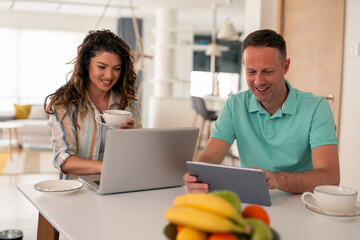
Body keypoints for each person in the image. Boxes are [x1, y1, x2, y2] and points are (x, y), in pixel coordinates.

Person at [184, 29, 340, 194]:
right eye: (251, 72)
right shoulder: (234, 106)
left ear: (285, 66)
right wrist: (198, 176)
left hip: (301, 201)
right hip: (253, 198)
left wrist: (279, 180)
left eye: (268, 71)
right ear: (244, 66)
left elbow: (330, 177)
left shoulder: (316, 108)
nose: (258, 81)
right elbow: (209, 158)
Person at [45, 29, 141, 179]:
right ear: (86, 64)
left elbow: (136, 157)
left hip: (117, 184)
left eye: (116, 69)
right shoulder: (64, 104)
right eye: (101, 67)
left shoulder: (128, 105)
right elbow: (63, 159)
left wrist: (129, 138)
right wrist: (105, 167)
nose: (109, 75)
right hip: (77, 190)